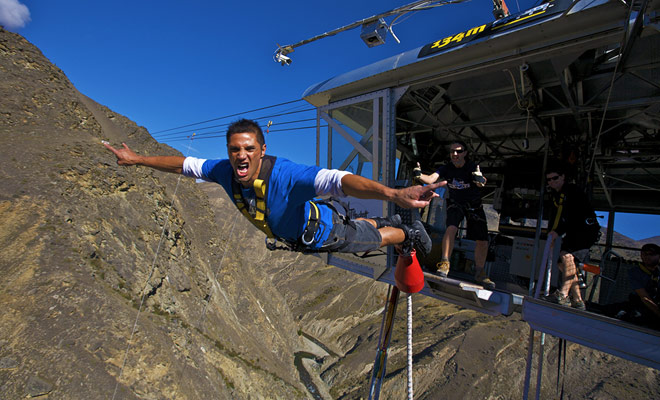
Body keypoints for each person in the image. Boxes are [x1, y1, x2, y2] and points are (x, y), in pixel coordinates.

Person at [104, 118, 444, 256]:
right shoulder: (222, 170)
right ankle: (389, 223)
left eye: (249, 149)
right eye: (235, 149)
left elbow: (337, 180)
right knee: (358, 225)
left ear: (261, 150)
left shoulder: (286, 175)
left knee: (366, 238)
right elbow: (182, 165)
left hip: (323, 232)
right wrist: (137, 160)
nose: (241, 155)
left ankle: (405, 232)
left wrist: (393, 195)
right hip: (312, 220)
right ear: (228, 152)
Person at [414, 140, 494, 289]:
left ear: (465, 153)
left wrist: (479, 179)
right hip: (455, 203)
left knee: (482, 239)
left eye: (458, 151)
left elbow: (481, 181)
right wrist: (419, 175)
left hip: (474, 205)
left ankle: (480, 272)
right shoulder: (447, 168)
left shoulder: (471, 167)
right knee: (451, 228)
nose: (455, 154)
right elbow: (431, 178)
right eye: (452, 151)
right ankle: (445, 263)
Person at [545, 164, 600, 311]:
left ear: (563, 177)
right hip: (573, 231)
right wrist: (553, 232)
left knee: (566, 256)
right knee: (562, 264)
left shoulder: (572, 191)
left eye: (555, 178)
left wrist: (557, 232)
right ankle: (578, 299)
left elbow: (574, 215)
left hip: (585, 229)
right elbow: (557, 217)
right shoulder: (557, 195)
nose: (552, 182)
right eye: (549, 180)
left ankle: (562, 294)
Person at [613, 243, 660, 329]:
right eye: (644, 254)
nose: (647, 257)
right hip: (642, 305)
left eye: (651, 254)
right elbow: (644, 297)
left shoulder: (658, 272)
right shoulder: (635, 272)